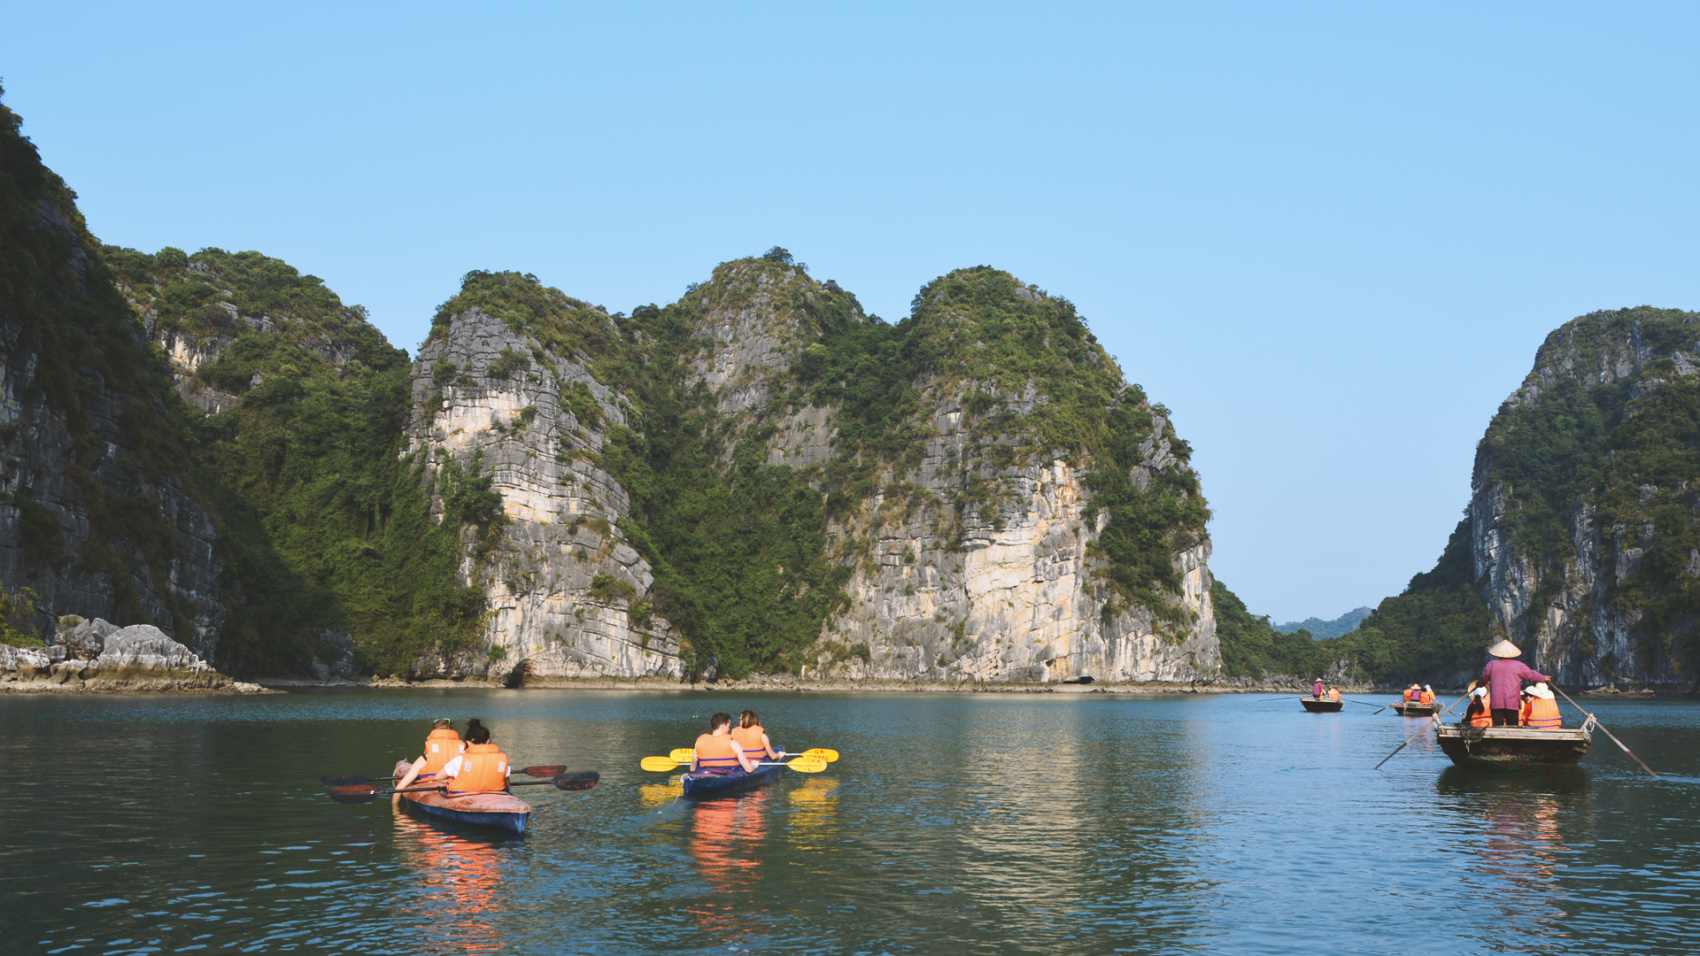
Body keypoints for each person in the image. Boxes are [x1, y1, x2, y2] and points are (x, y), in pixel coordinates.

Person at [1477, 640, 1551, 727]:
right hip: (1512, 702)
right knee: (1512, 727)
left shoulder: (1491, 664)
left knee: (1497, 727)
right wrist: (1543, 678)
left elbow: (1483, 678)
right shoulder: (1519, 665)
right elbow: (1531, 675)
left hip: (1496, 702)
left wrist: (1479, 684)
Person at [440, 718, 511, 793]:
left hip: (463, 794)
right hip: (495, 795)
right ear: (488, 741)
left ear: (468, 742)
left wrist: (453, 782)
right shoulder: (501, 759)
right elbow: (507, 784)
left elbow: (439, 778)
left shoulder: (459, 760)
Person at [396, 718, 463, 790]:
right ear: (452, 731)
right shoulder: (464, 753)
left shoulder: (425, 758)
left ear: (433, 731)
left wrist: (394, 801)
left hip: (430, 784)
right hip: (457, 786)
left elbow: (400, 787)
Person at [692, 713, 758, 775]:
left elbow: (692, 769)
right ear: (723, 726)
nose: (729, 729)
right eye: (729, 726)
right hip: (727, 775)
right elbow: (749, 769)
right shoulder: (733, 743)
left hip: (704, 774)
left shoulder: (700, 742)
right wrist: (754, 765)